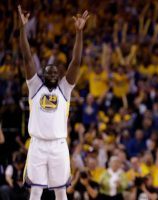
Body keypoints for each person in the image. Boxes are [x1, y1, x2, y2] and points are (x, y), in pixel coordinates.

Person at [18, 5, 89, 200]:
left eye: (55, 71)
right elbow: (26, 55)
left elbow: (76, 61)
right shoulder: (35, 86)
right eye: (48, 71)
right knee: (35, 191)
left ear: (59, 76)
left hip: (58, 145)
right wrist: (22, 28)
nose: (52, 73)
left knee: (60, 191)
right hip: (38, 145)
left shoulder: (65, 89)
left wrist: (79, 33)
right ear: (42, 74)